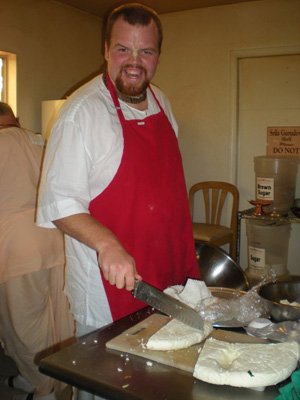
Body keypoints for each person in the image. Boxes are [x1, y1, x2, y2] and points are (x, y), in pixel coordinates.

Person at [38, 3, 199, 337]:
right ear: (107, 50)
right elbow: (59, 202)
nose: (134, 62)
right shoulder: (80, 113)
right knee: (106, 385)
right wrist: (108, 244)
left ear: (158, 55)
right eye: (124, 49)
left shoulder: (162, 102)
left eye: (146, 51)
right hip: (108, 287)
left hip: (165, 276)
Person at [0, 102, 75, 400]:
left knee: (23, 323)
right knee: (59, 319)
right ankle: (53, 382)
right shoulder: (43, 141)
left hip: (17, 245)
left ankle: (43, 390)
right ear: (15, 119)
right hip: (58, 237)